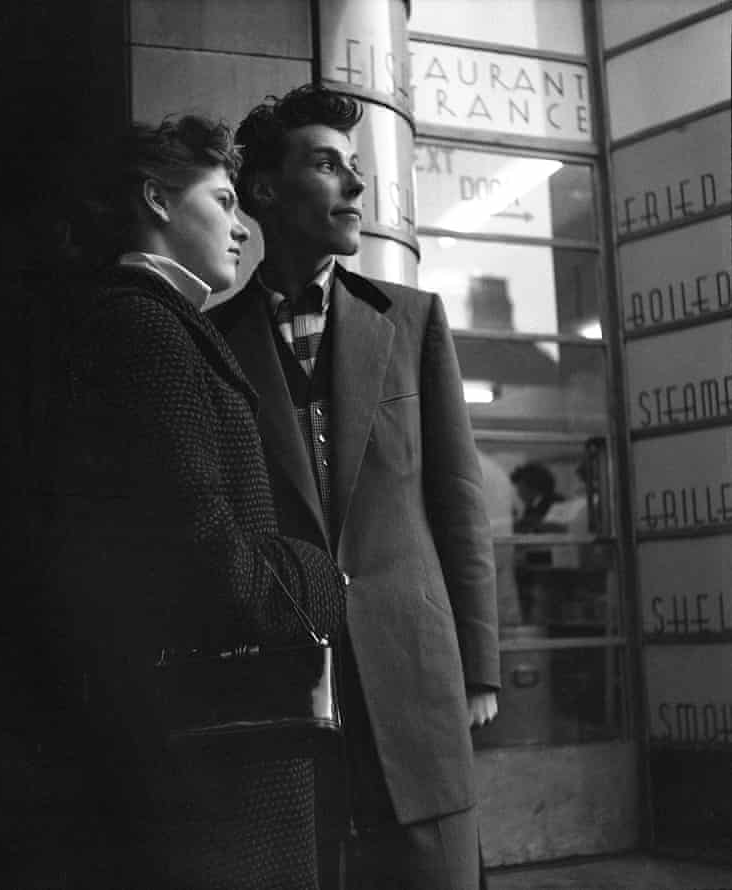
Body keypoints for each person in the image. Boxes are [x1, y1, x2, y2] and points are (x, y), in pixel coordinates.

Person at [211, 85, 500, 890]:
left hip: (417, 680)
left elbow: (458, 503)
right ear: (264, 190)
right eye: (328, 165)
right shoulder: (213, 342)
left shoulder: (412, 321)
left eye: (355, 168)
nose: (357, 187)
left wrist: (477, 664)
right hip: (287, 690)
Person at [48, 115, 347, 889]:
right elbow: (200, 554)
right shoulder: (146, 331)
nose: (243, 227)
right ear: (156, 199)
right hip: (215, 759)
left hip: (205, 745)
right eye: (222, 199)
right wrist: (321, 580)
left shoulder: (154, 323)